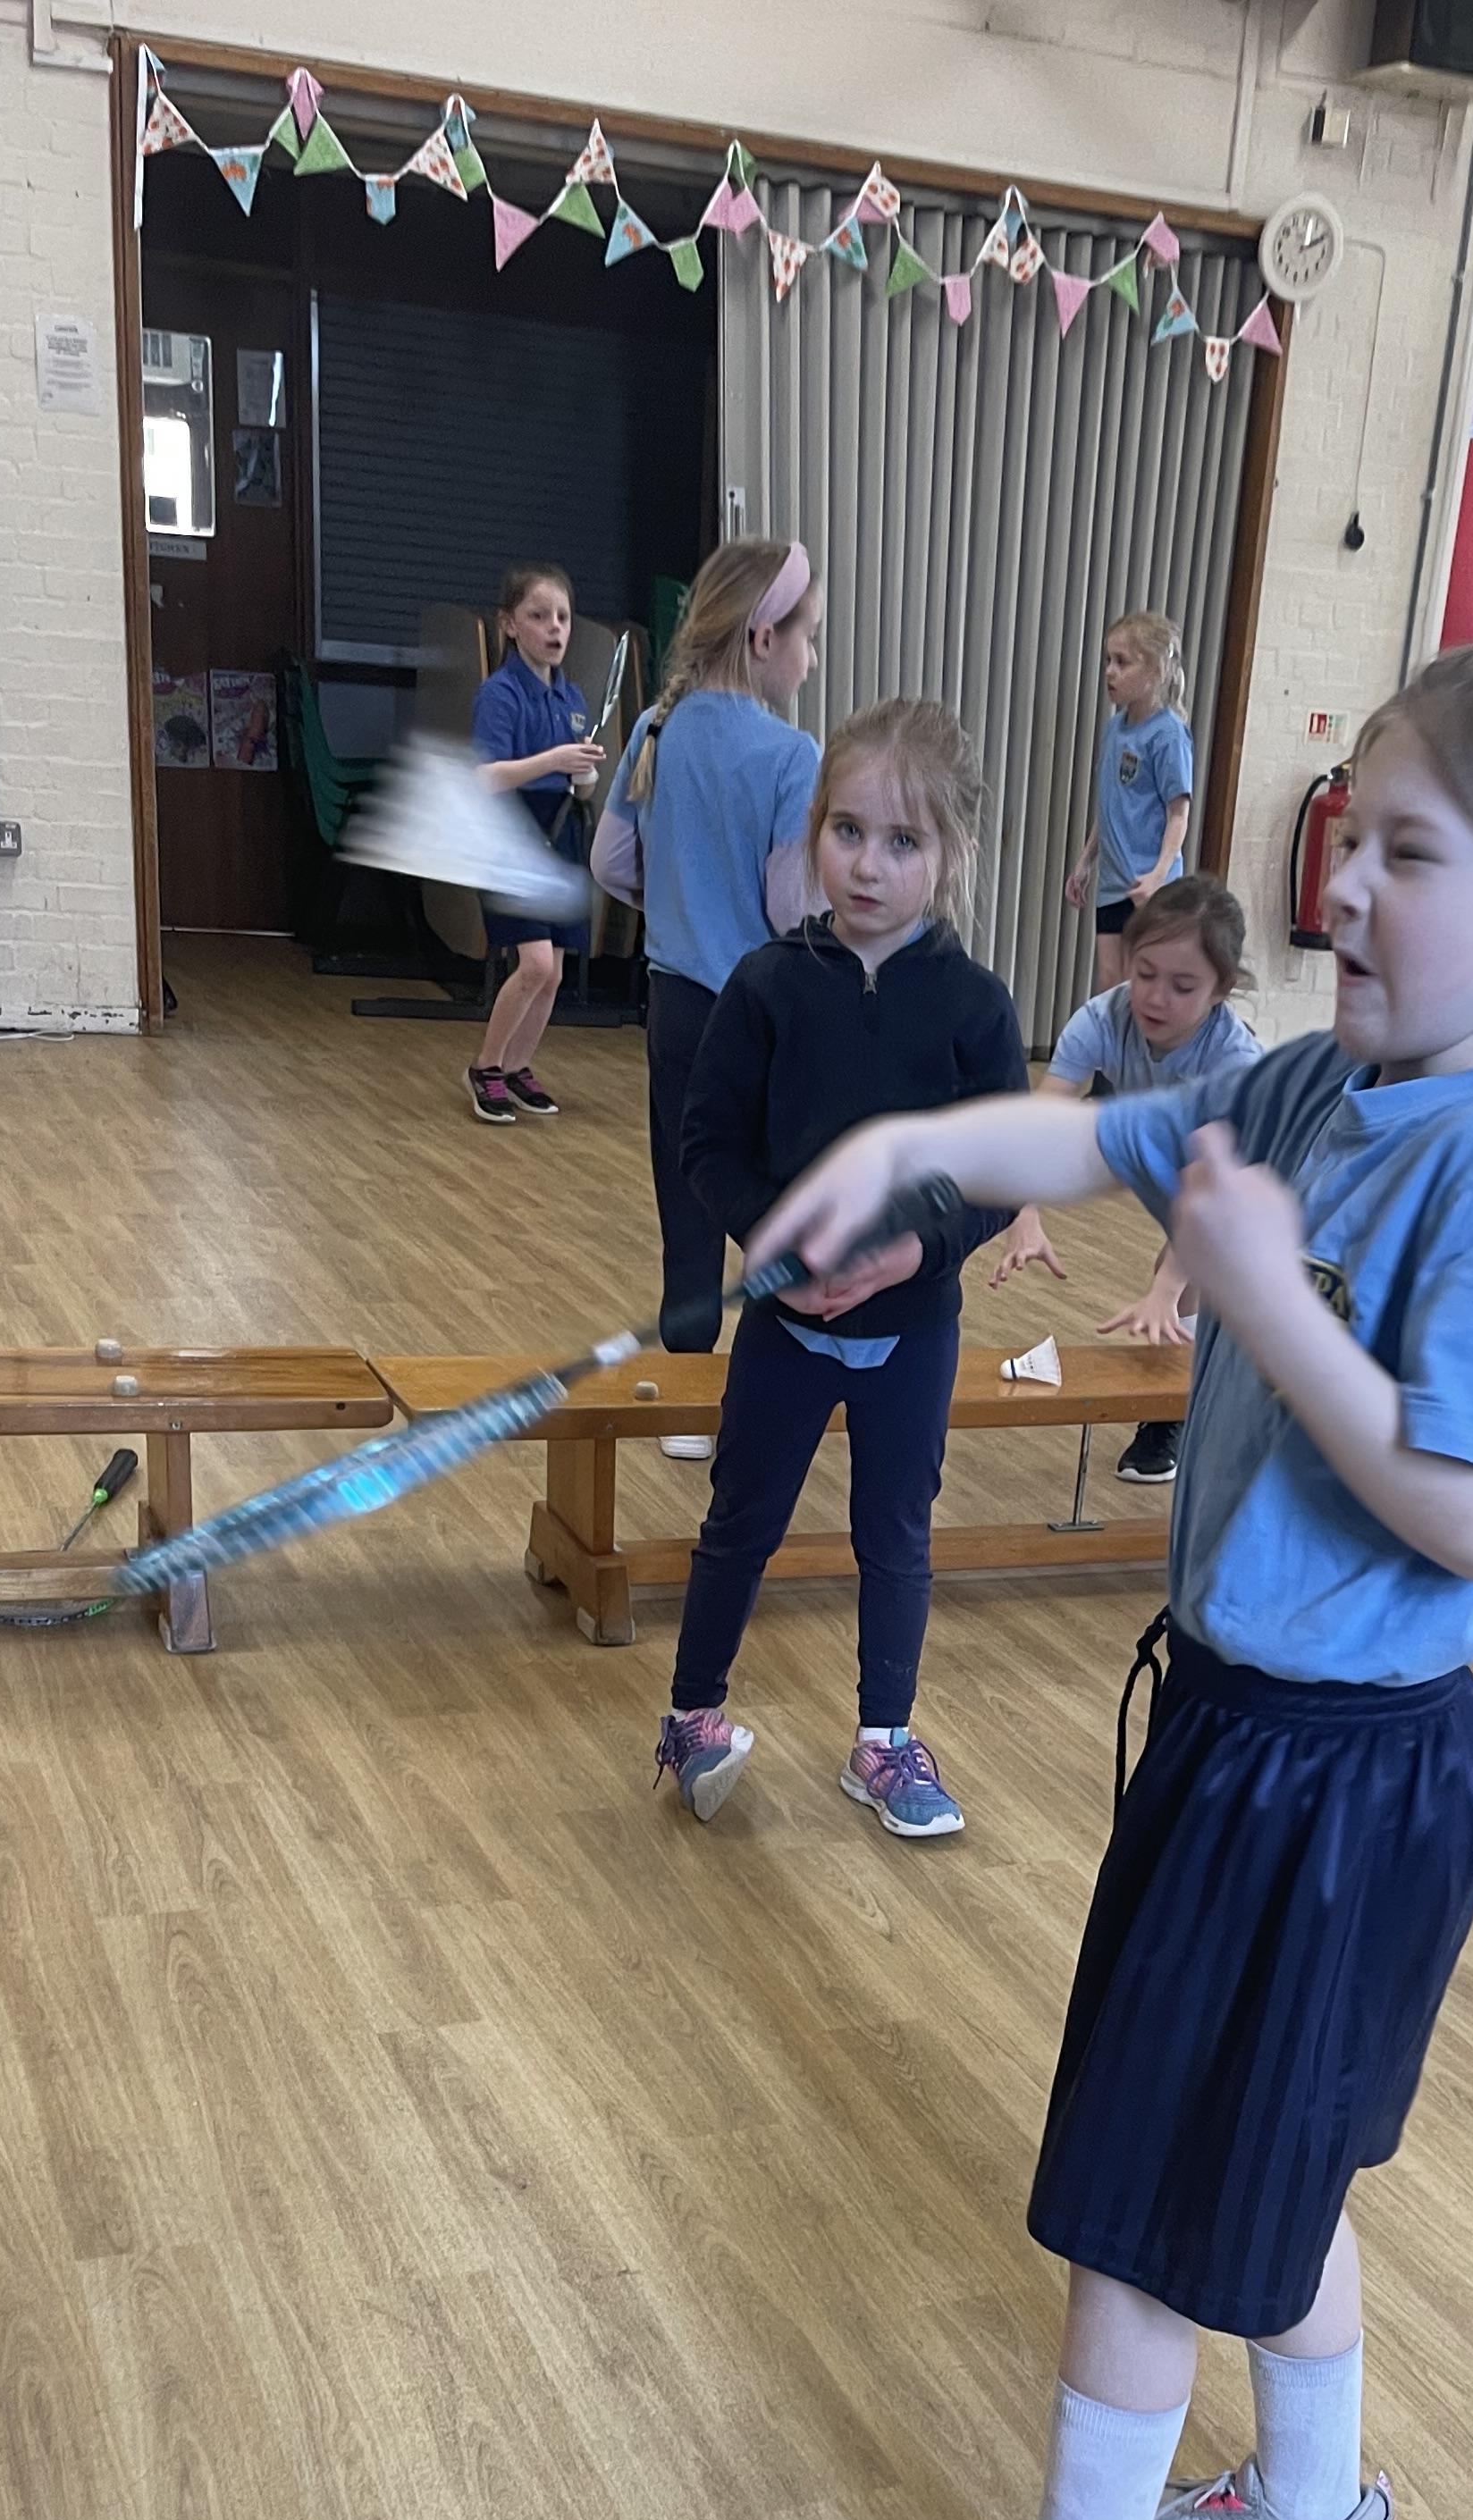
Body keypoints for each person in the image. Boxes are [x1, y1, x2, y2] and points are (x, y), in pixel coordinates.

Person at [751, 640, 1473, 2520]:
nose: (1339, 885)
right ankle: (1310, 2514)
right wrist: (907, 1157)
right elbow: (1096, 1133)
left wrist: (1268, 1298)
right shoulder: (1320, 1089)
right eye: (1354, 838)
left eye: (1410, 856)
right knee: (1275, 2165)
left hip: (1335, 1773)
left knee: (1141, 2210)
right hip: (1259, 1740)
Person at [655, 700, 1029, 1843]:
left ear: (950, 855)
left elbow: (999, 1172)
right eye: (848, 831)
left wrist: (915, 1251)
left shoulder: (975, 1008)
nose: (868, 865)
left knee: (896, 1536)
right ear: (814, 831)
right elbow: (708, 1146)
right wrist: (773, 1246)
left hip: (913, 1330)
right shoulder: (766, 984)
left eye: (903, 842)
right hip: (785, 1326)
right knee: (741, 1520)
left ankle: (884, 1740)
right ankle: (691, 1716)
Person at [592, 539, 825, 1443]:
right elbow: (792, 908)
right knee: (774, 1205)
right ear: (764, 638)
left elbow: (610, 862)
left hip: (676, 1012)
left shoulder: (657, 730)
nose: (812, 658)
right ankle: (779, 1395)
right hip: (759, 1015)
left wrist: (678, 901)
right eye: (809, 637)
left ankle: (688, 1409)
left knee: (687, 1206)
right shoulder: (792, 755)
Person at [992, 872, 1260, 1484]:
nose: (1155, 998)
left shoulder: (1234, 1063)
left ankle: (1177, 1411)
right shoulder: (1102, 1018)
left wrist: (1165, 1290)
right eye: (1144, 973)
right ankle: (1183, 1401)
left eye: (1183, 986)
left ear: (1222, 990)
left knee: (1195, 1273)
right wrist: (1023, 1214)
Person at [465, 563, 604, 1125]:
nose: (555, 627)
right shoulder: (499, 695)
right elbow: (485, 777)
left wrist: (584, 773)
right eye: (539, 615)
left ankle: (518, 1065)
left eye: (563, 617)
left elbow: (582, 786)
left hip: (562, 831)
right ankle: (485, 1067)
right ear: (509, 624)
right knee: (535, 964)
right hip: (514, 835)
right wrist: (553, 761)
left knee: (556, 970)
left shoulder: (572, 698)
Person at [1064, 611, 1193, 992]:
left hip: (1150, 887)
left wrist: (1158, 875)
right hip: (1113, 883)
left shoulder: (1168, 735)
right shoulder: (1114, 730)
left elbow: (1178, 814)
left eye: (1122, 662)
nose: (1110, 671)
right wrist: (1085, 862)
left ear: (1154, 670)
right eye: (1108, 660)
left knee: (1142, 987)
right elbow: (1111, 805)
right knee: (1109, 984)